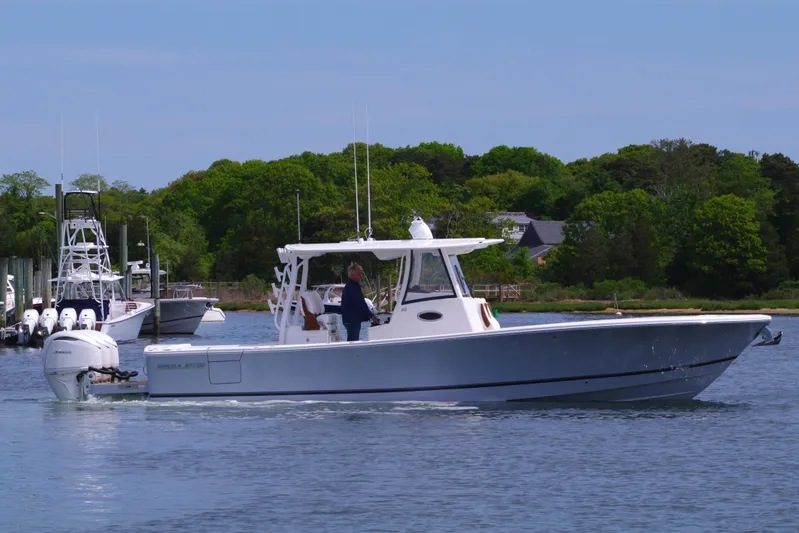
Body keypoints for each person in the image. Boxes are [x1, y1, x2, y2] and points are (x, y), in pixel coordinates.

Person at [341, 262, 379, 341]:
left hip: (348, 319)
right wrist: (372, 317)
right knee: (353, 342)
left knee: (352, 341)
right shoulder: (353, 287)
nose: (360, 275)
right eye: (358, 273)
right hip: (352, 320)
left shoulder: (350, 286)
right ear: (352, 274)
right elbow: (361, 304)